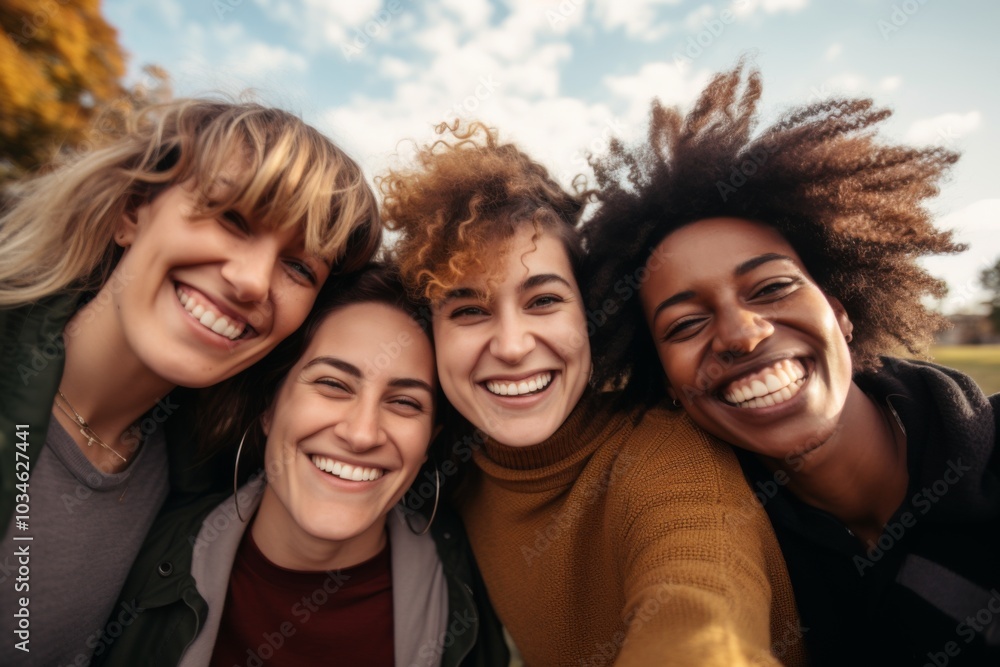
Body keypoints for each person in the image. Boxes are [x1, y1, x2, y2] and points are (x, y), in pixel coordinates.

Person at [583, 63, 1000, 666]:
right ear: (665, 383)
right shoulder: (735, 539)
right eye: (685, 325)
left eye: (771, 288)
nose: (740, 334)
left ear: (839, 309)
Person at [380, 121, 807, 666]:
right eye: (468, 311)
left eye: (543, 301)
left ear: (592, 315)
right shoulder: (448, 467)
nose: (512, 347)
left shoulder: (664, 453)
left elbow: (701, 595)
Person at [0, 98, 382, 665]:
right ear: (132, 212)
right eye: (231, 217)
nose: (252, 281)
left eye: (300, 267)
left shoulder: (204, 474)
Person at [92, 265, 509, 667]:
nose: (362, 434)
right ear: (269, 406)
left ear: (428, 443)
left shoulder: (468, 592)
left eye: (404, 402)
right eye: (332, 384)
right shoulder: (137, 561)